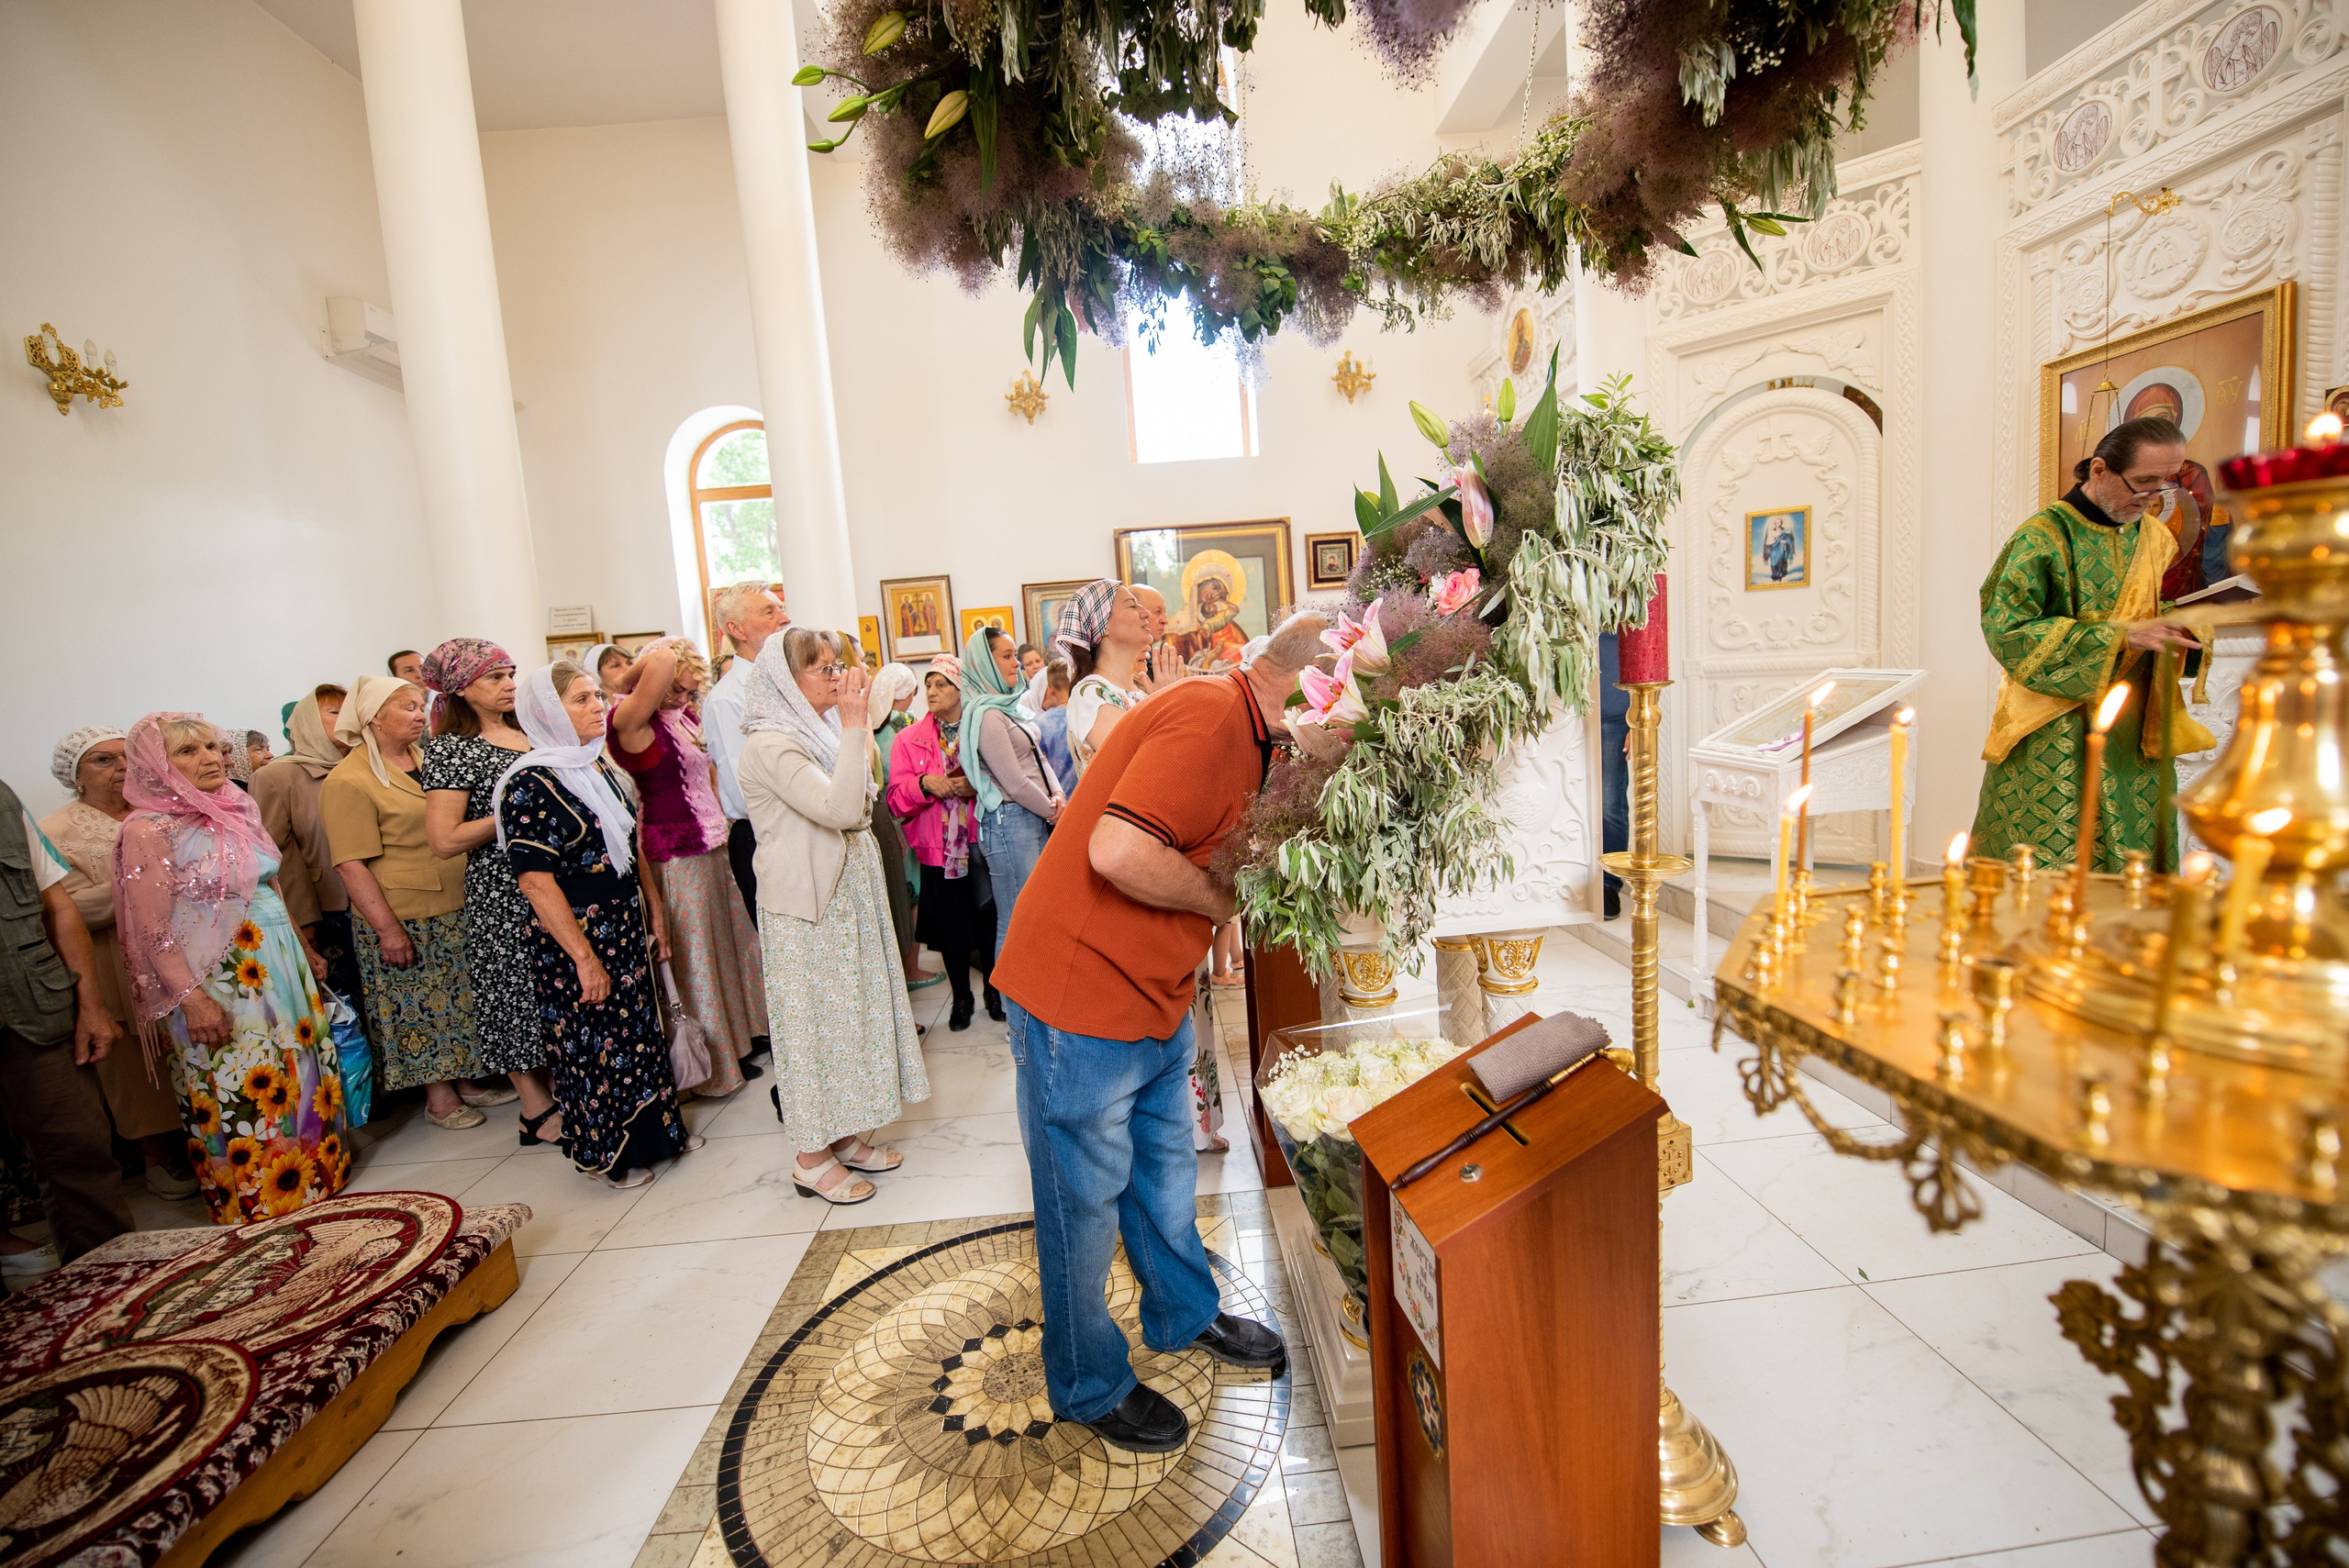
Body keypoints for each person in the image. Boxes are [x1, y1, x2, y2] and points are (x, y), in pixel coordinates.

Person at [993, 613, 1323, 1451]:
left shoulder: (1254, 734)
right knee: (1083, 1203)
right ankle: (1087, 1381)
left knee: (1165, 1170)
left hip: (1151, 987)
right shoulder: (1215, 718)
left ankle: (1184, 1313)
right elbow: (1115, 848)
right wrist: (1224, 904)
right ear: (1310, 695)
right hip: (1080, 991)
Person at [113, 715, 350, 1224]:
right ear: (156, 767)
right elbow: (153, 928)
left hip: (276, 960)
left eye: (214, 747)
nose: (211, 758)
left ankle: (315, 1173)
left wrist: (303, 948)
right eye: (189, 752)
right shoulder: (146, 828)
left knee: (297, 1063)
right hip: (216, 976)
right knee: (236, 1075)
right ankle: (257, 1195)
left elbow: (270, 884)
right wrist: (193, 999)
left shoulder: (235, 806)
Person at [739, 629, 930, 1203]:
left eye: (837, 665)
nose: (837, 676)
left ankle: (843, 1135)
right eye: (823, 669)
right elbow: (845, 808)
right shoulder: (771, 745)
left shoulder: (815, 731)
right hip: (809, 908)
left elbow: (860, 790)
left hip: (846, 900)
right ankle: (809, 1156)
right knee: (817, 1031)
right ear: (784, 681)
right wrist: (853, 725)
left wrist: (851, 728)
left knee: (853, 1022)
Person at [495, 662, 697, 1188]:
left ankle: (660, 1135)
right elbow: (537, 884)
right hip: (576, 934)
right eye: (582, 699)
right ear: (547, 713)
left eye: (595, 696)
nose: (597, 707)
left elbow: (631, 845)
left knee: (639, 1032)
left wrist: (654, 909)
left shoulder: (596, 765)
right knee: (594, 1044)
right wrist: (584, 957)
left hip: (624, 921)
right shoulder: (528, 784)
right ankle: (610, 1155)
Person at [1973, 416, 2205, 870]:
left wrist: (2189, 627)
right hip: (2057, 721)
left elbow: (2161, 607)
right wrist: (2115, 637)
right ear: (2099, 470)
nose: (2154, 497)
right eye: (2143, 482)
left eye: (2166, 483)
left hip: (2136, 719)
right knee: (2050, 856)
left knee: (2138, 854)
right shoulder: (2043, 536)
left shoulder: (2155, 538)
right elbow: (2008, 627)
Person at [322, 675, 488, 1129]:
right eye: (408, 708)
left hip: (455, 899)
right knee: (417, 1005)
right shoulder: (348, 780)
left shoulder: (426, 758)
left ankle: (469, 1079)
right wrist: (388, 930)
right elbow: (350, 865)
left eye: (421, 706)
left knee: (460, 998)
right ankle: (439, 1099)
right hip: (403, 913)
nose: (420, 715)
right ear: (374, 718)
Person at [39, 727, 194, 1198]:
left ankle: (204, 1137)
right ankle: (158, 1157)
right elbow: (67, 907)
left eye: (124, 757)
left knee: (190, 1044)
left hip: (182, 951)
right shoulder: (55, 830)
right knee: (134, 1063)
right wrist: (145, 885)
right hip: (113, 960)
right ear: (75, 776)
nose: (121, 768)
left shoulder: (162, 810)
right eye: (102, 761)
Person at [608, 639, 764, 1095]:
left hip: (712, 842)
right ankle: (710, 1066)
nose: (683, 698)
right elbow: (659, 660)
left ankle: (738, 1042)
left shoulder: (683, 717)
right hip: (673, 851)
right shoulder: (629, 720)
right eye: (675, 690)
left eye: (689, 692)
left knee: (727, 947)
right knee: (695, 957)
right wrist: (624, 677)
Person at [419, 639, 563, 1134]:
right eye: (495, 677)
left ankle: (565, 1087)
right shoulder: (452, 748)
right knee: (513, 993)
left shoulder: (530, 730)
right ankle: (533, 1106)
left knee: (555, 987)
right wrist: (513, 813)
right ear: (462, 688)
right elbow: (443, 839)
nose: (509, 685)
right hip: (502, 888)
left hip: (555, 875)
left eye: (510, 674)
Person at [0, 773, 131, 1261]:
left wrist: (91, 1005)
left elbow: (57, 907)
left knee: (77, 1145)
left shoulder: (3, 799)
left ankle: (114, 1281)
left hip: (32, 1006)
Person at [885, 661, 1002, 1029]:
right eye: (928, 685)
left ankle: (993, 993)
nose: (932, 692)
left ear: (960, 689)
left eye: (941, 684)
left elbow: (1007, 780)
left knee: (989, 922)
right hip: (939, 850)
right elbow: (895, 799)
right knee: (952, 930)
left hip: (981, 843)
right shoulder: (909, 739)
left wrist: (978, 787)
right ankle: (962, 999)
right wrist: (925, 785)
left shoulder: (985, 728)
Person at [252, 685, 368, 1023]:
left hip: (383, 897)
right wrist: (303, 920)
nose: (346, 719)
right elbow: (277, 855)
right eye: (334, 712)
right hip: (328, 907)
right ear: (306, 723)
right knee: (347, 1001)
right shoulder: (276, 775)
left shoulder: (367, 767)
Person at [960, 625, 1063, 959]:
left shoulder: (1007, 708)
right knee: (1017, 921)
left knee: (1034, 918)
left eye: (1014, 656)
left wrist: (1059, 796)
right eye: (1006, 657)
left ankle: (1029, 1004)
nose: (1016, 664)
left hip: (1031, 817)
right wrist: (1054, 809)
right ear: (983, 662)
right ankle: (1015, 1011)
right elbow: (1014, 782)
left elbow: (1039, 756)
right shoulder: (986, 714)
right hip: (1010, 822)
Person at [702, 582, 793, 927]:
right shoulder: (729, 698)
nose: (784, 618)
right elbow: (745, 789)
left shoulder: (787, 681)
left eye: (781, 608)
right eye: (769, 611)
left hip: (801, 828)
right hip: (764, 836)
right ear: (736, 630)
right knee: (787, 951)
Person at [1054, 579, 1185, 778]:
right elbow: (1146, 765)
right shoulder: (1090, 694)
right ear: (1103, 625)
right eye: (1132, 606)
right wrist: (1166, 702)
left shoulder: (1140, 692)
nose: (1146, 614)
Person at [867, 662, 929, 985]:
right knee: (914, 896)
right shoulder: (906, 724)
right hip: (908, 819)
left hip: (881, 821)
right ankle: (912, 969)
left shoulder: (871, 726)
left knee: (894, 896)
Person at [1036, 658, 1076, 786]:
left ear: (1050, 690)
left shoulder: (1040, 723)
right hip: (1088, 795)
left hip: (1057, 796)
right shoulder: (1087, 715)